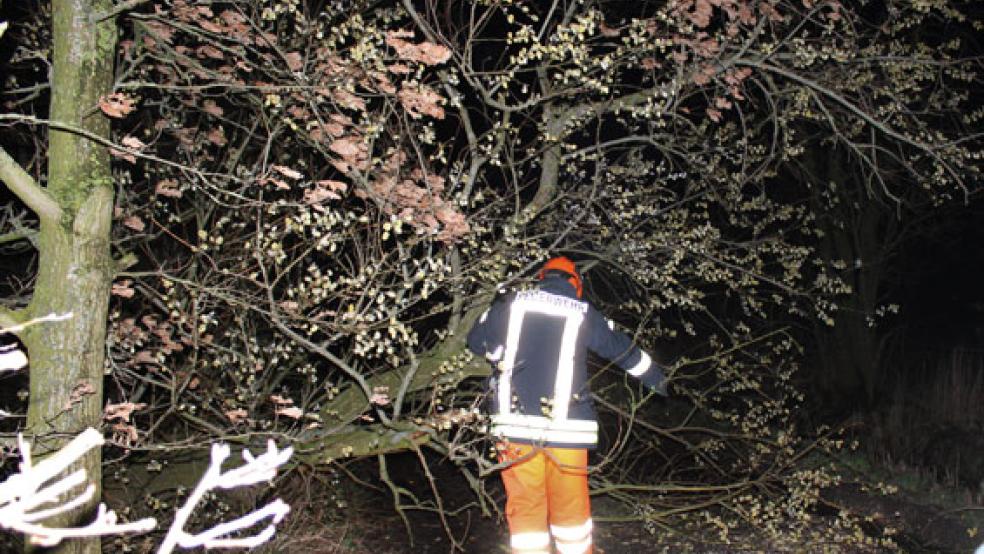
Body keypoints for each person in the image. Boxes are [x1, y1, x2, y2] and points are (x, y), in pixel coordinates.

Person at [467, 256, 668, 554]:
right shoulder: (583, 312)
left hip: (514, 429)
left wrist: (497, 350)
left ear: (542, 278)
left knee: (525, 511)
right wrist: (660, 381)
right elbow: (624, 351)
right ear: (576, 284)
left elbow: (474, 341)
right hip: (568, 430)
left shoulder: (510, 305)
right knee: (571, 516)